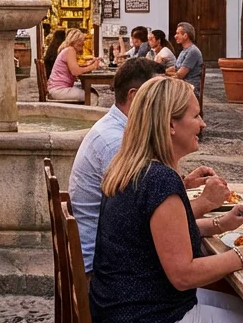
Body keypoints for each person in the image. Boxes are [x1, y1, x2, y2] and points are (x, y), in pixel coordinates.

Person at [90, 76, 243, 323]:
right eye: (196, 116)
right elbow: (183, 274)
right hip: (149, 316)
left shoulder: (129, 167)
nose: (202, 124)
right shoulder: (160, 180)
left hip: (122, 308)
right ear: (171, 125)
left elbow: (155, 236)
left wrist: (220, 225)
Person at [68, 57, 232, 275]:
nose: (203, 123)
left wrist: (215, 219)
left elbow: (143, 216)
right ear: (137, 97)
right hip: (105, 270)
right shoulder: (117, 143)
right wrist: (206, 203)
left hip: (116, 272)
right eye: (157, 94)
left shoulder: (127, 143)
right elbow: (178, 264)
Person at [47, 28, 102, 103]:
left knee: (90, 91)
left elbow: (74, 67)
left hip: (55, 88)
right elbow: (75, 72)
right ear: (75, 41)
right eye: (80, 43)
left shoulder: (67, 50)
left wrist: (87, 65)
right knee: (92, 96)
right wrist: (92, 67)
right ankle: (87, 114)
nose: (82, 45)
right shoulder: (70, 50)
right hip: (59, 90)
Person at [167, 23, 203, 95]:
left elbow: (180, 75)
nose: (175, 36)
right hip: (180, 85)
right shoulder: (184, 51)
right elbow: (175, 68)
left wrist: (165, 75)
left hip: (189, 88)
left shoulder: (193, 51)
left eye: (178, 33)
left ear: (185, 36)